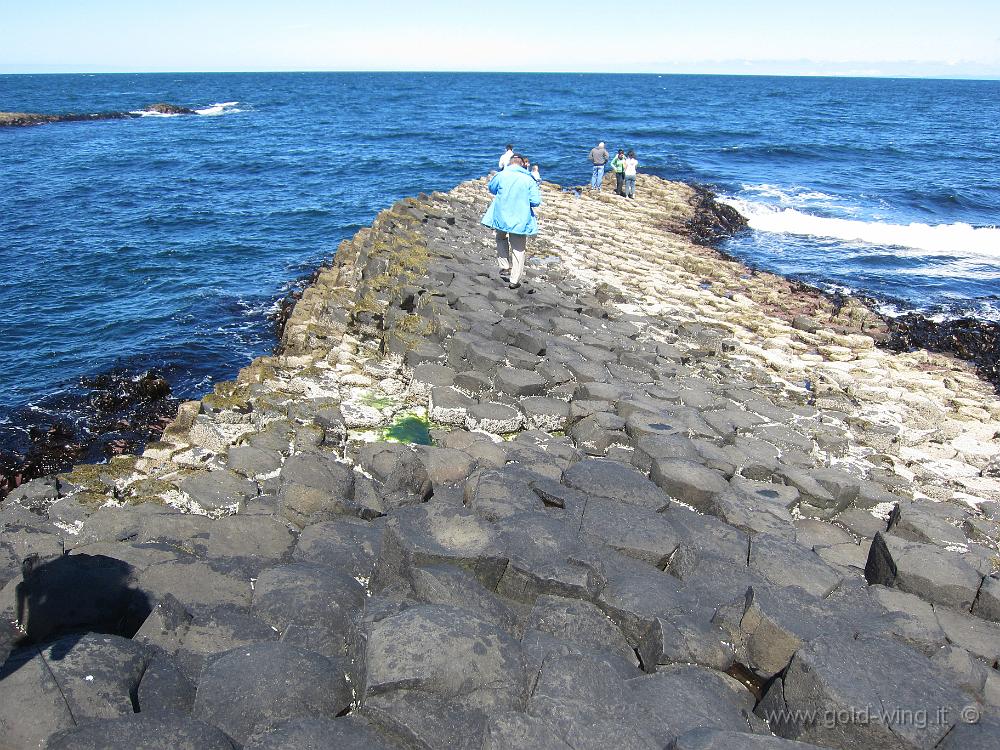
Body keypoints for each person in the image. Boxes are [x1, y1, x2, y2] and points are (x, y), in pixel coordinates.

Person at [481, 154, 541, 289]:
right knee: (518, 249)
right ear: (523, 164)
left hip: (501, 214)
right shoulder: (528, 179)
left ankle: (504, 265)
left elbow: (492, 189)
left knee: (500, 237)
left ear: (510, 162)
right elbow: (535, 201)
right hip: (520, 217)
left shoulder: (501, 175)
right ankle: (514, 280)